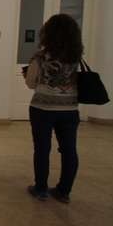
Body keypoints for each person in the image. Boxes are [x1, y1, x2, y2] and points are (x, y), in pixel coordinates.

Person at [24, 14, 83, 203]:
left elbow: (31, 83)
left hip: (42, 107)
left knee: (42, 148)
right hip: (69, 109)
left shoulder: (41, 57)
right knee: (69, 149)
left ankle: (41, 188)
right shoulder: (75, 57)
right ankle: (64, 191)